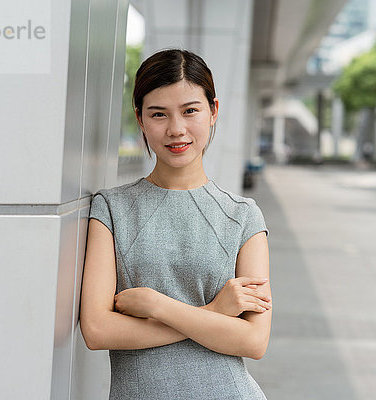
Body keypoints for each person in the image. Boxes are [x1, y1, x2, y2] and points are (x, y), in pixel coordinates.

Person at [80, 49, 272, 399]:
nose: (176, 129)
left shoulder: (244, 216)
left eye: (190, 111)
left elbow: (254, 341)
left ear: (213, 111)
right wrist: (214, 313)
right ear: (139, 118)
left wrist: (158, 306)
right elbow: (97, 329)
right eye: (158, 114)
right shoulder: (111, 208)